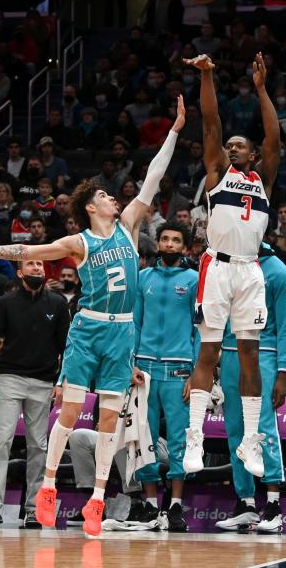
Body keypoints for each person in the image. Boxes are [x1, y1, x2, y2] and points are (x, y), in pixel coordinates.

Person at [0, 96, 185, 537]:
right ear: (92, 207)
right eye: (103, 195)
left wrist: (174, 131)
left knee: (110, 420)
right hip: (88, 329)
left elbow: (154, 175)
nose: (113, 196)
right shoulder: (79, 242)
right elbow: (27, 251)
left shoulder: (130, 224)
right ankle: (49, 486)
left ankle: (98, 498)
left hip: (121, 335)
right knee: (72, 412)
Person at [181, 53, 281, 482]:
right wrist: (207, 75)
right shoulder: (218, 172)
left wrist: (261, 90)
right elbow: (210, 122)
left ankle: (251, 438)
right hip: (217, 269)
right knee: (208, 351)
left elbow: (275, 140)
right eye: (229, 145)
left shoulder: (264, 179)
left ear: (253, 155)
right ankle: (195, 435)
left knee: (250, 357)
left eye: (240, 145)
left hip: (250, 270)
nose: (231, 147)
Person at [0, 259, 70, 529]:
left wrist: (62, 381)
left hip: (43, 381)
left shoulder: (58, 304)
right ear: (19, 272)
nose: (37, 267)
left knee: (38, 445)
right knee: (0, 440)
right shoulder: (6, 302)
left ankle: (32, 508)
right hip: (9, 378)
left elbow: (67, 347)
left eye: (40, 263)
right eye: (31, 264)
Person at [215, 242, 286, 533]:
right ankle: (246, 503)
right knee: (235, 429)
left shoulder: (279, 271)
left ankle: (273, 504)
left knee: (261, 427)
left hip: (265, 354)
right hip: (230, 353)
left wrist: (282, 373)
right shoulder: (228, 265)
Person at [130, 222, 199, 531]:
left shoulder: (195, 280)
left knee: (178, 440)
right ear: (158, 243)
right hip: (143, 370)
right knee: (141, 438)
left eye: (176, 240)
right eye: (165, 239)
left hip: (179, 369)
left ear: (184, 248)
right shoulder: (143, 278)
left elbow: (202, 330)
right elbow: (134, 324)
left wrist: (198, 373)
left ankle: (174, 506)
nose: (170, 244)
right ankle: (149, 504)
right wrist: (129, 363)